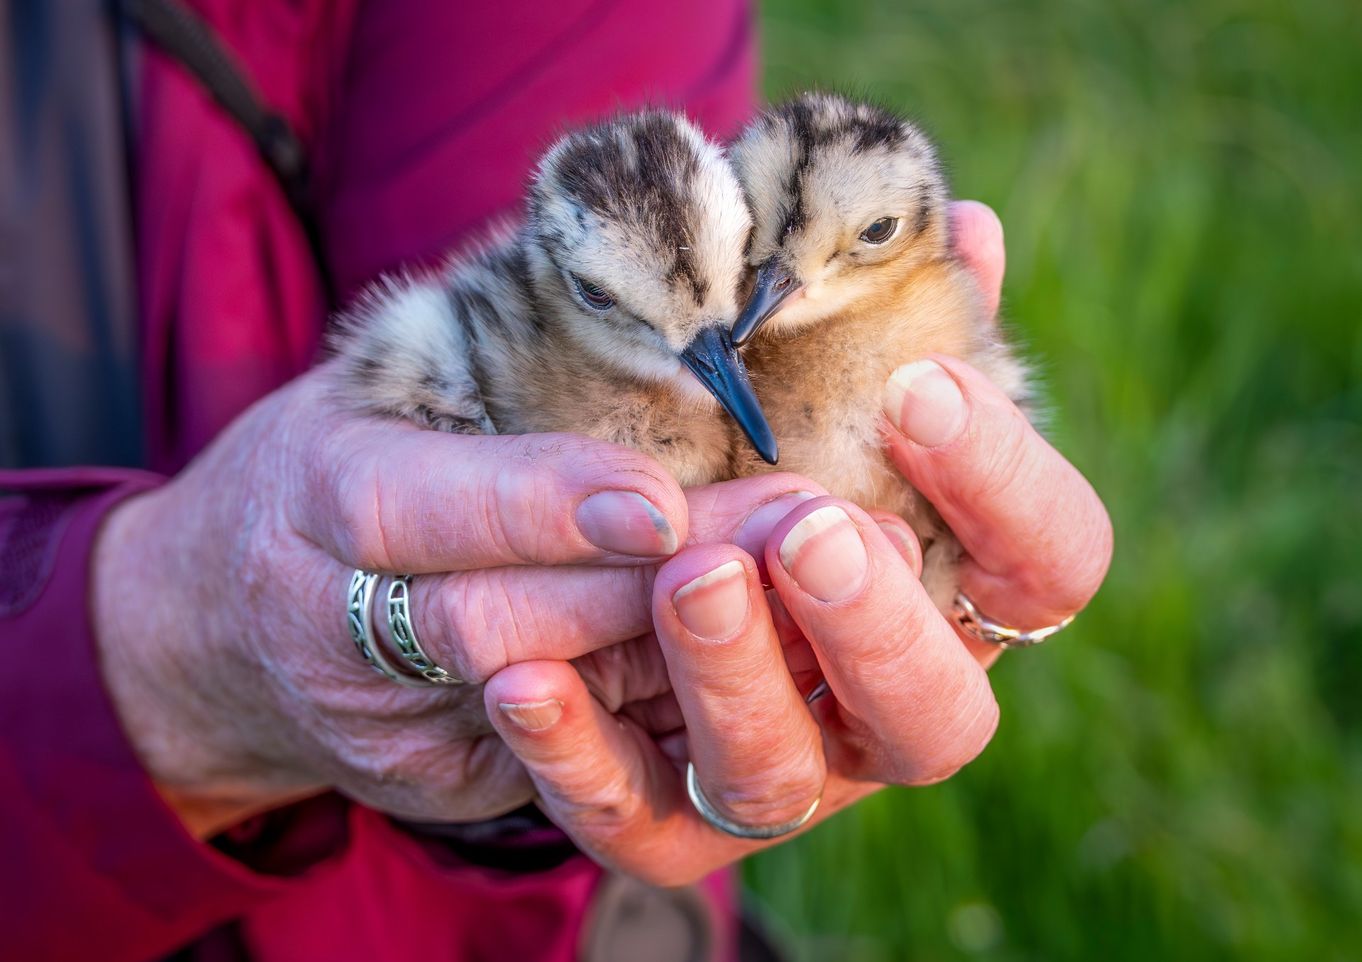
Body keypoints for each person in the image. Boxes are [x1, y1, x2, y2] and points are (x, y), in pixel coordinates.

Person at [0, 1, 1113, 959]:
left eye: (736, 285)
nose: (730, 343)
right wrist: (171, 650)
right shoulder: (499, 336)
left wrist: (567, 772)